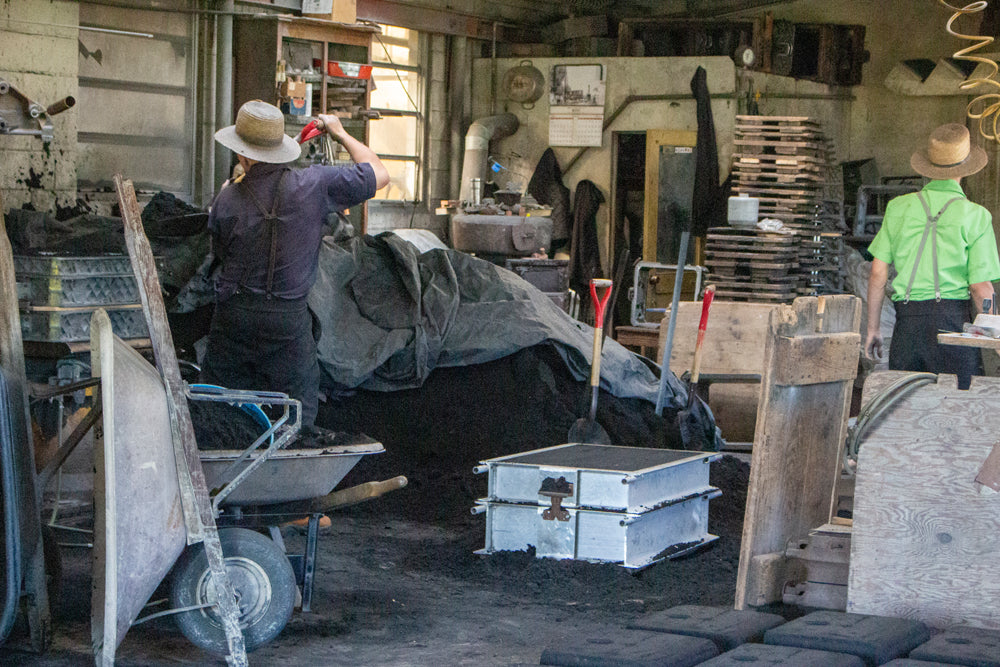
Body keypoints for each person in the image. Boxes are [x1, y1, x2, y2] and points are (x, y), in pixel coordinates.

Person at [201, 99, 389, 427]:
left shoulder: (227, 199)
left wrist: (225, 198)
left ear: (241, 153)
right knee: (297, 412)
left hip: (234, 320)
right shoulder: (313, 184)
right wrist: (340, 132)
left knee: (218, 406)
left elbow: (219, 252)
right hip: (287, 324)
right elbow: (380, 173)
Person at [865, 122, 1000, 389]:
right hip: (953, 327)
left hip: (907, 328)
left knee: (907, 412)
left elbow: (877, 273)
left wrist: (873, 329)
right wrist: (995, 335)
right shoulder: (975, 215)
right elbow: (980, 287)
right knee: (957, 414)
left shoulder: (898, 208)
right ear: (965, 168)